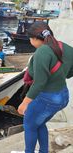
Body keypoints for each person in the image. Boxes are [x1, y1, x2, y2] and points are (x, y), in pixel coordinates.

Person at [17, 21, 73, 153]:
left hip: (48, 98)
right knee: (39, 123)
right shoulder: (66, 47)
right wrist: (60, 75)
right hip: (63, 96)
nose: (30, 41)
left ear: (36, 39)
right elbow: (70, 72)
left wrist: (24, 103)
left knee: (29, 126)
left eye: (30, 39)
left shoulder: (42, 52)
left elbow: (39, 83)